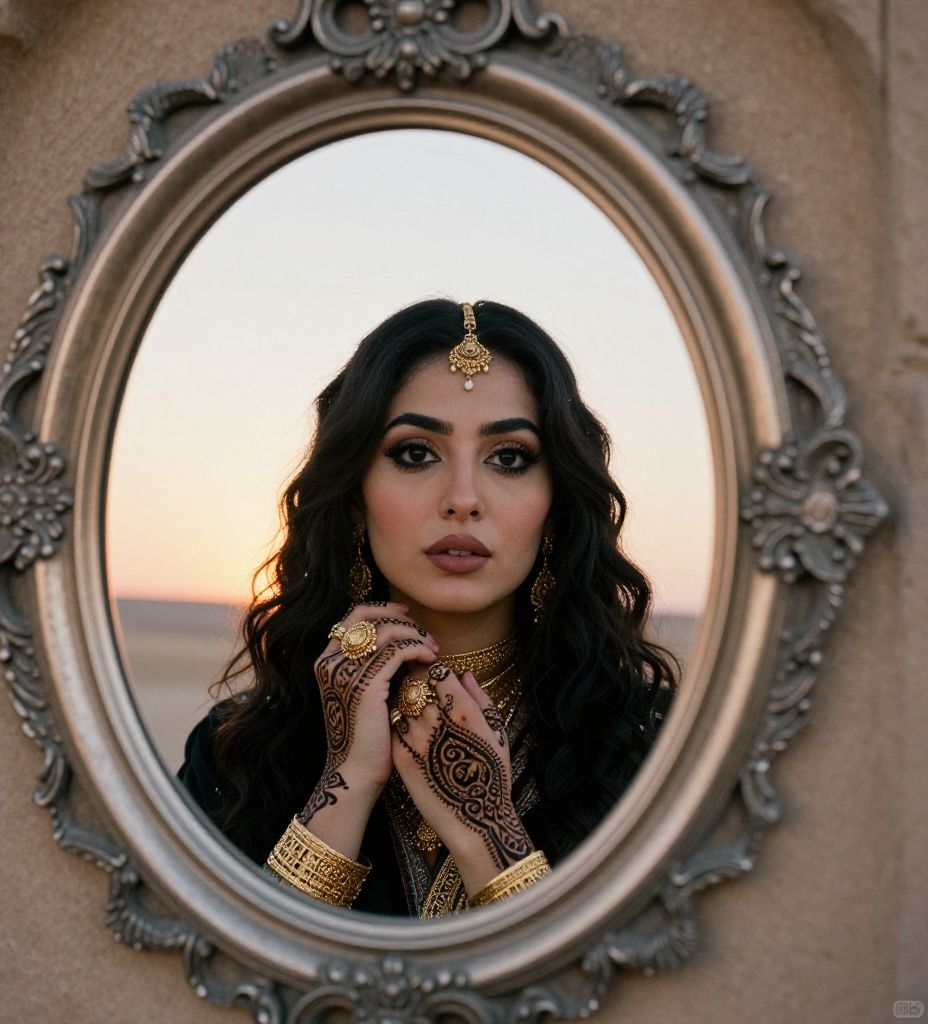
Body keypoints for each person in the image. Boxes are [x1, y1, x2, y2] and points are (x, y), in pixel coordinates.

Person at [177, 298, 678, 917]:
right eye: (415, 453)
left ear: (557, 504)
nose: (463, 499)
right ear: (356, 495)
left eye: (510, 458)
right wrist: (347, 784)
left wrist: (489, 836)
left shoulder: (657, 750)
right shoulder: (237, 751)